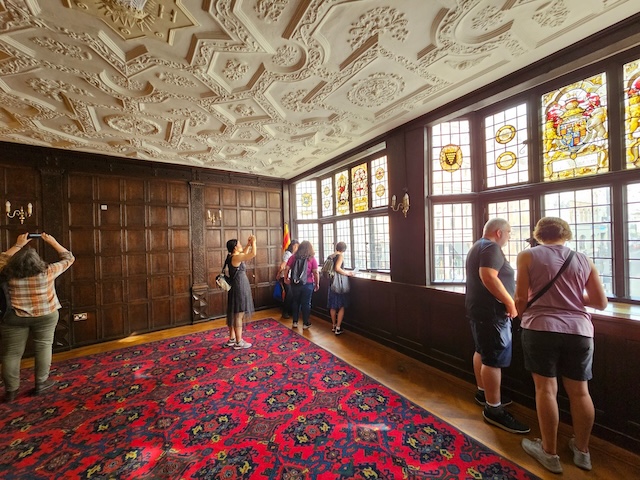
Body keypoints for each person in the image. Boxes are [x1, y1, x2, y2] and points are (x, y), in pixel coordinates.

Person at [515, 217, 607, 474]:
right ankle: (583, 451)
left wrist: (524, 315)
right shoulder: (583, 259)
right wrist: (572, 297)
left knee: (546, 389)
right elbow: (600, 302)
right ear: (566, 233)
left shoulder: (527, 256)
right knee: (580, 392)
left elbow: (521, 297)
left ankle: (549, 452)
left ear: (538, 234)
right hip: (579, 331)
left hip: (541, 328)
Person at [465, 218, 530, 434]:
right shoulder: (491, 247)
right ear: (499, 232)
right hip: (492, 313)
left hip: (479, 310)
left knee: (482, 351)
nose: (510, 237)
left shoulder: (478, 245)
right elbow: (488, 277)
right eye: (509, 233)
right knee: (493, 359)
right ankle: (494, 409)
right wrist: (510, 302)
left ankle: (484, 392)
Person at [1, 232, 75, 402]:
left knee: (11, 354)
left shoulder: (7, 274)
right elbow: (68, 258)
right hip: (46, 315)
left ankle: (11, 391)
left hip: (15, 317)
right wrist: (53, 242)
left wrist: (18, 245)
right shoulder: (48, 271)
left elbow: (1, 259)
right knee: (43, 347)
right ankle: (41, 384)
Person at [223, 235, 257, 350]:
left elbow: (243, 252)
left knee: (234, 313)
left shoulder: (232, 256)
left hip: (236, 286)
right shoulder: (236, 258)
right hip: (239, 286)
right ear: (235, 247)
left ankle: (232, 338)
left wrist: (248, 245)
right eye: (239, 244)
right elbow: (252, 254)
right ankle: (239, 341)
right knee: (239, 314)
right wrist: (254, 243)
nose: (241, 245)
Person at [283, 240, 319, 329]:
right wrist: (317, 283)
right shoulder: (312, 259)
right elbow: (315, 272)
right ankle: (305, 323)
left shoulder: (293, 257)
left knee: (296, 302)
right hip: (308, 284)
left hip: (295, 283)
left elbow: (286, 268)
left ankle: (295, 322)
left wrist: (285, 278)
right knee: (306, 303)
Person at [327, 242, 354, 335]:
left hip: (331, 282)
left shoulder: (330, 256)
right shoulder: (340, 256)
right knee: (341, 305)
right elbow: (337, 268)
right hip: (339, 283)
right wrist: (347, 273)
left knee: (333, 305)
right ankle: (338, 327)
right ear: (344, 249)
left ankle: (334, 325)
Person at [276, 240, 299, 319]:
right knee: (288, 295)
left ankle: (289, 311)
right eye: (296, 246)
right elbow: (282, 266)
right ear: (293, 246)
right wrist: (278, 274)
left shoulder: (292, 254)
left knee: (291, 295)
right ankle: (285, 312)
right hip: (286, 277)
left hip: (290, 277)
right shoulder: (288, 254)